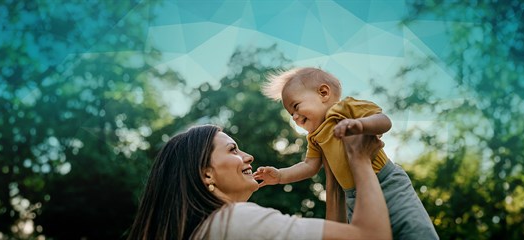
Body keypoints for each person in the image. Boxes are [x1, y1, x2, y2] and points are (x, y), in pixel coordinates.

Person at [255, 67, 438, 239]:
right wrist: (280, 176)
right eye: (290, 113)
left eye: (296, 106)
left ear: (323, 93)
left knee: (412, 227)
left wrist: (361, 125)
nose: (294, 117)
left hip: (385, 181)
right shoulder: (315, 137)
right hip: (353, 197)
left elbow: (384, 120)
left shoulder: (345, 109)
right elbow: (308, 166)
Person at [127, 124, 392, 240]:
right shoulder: (235, 221)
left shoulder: (207, 231)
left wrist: (334, 175)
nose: (249, 156)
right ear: (206, 174)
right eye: (233, 150)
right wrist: (358, 159)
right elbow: (372, 237)